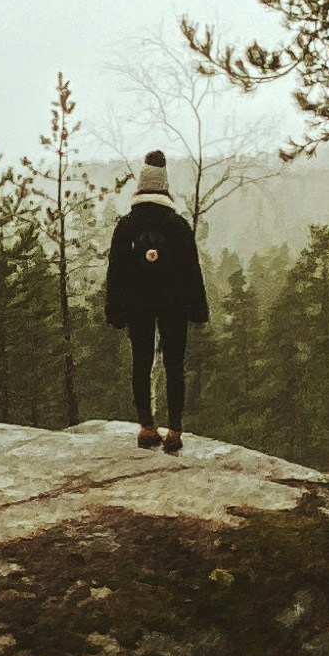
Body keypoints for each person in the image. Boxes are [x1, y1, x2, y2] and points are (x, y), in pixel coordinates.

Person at [103, 148, 208, 452]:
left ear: (140, 185)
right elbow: (192, 269)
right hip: (173, 304)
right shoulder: (177, 226)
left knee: (141, 362)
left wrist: (115, 309)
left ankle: (147, 427)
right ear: (165, 186)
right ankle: (175, 431)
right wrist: (198, 308)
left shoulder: (127, 226)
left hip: (138, 305)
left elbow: (116, 271)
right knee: (175, 365)